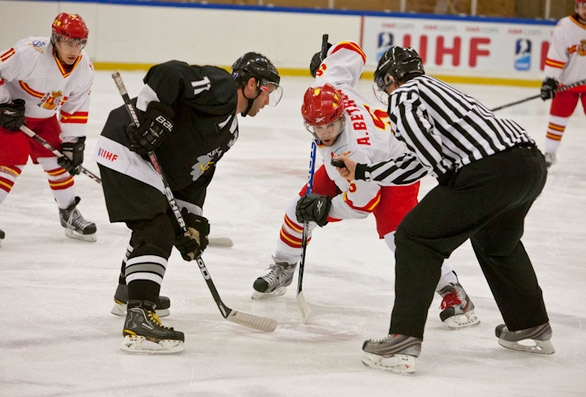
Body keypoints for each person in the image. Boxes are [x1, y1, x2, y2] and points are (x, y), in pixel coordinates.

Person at [336, 46, 554, 374]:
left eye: (384, 84)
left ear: (391, 78)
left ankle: (404, 338)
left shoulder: (405, 93)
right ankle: (530, 324)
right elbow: (414, 162)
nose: (386, 93)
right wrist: (364, 172)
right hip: (529, 167)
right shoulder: (440, 90)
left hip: (489, 171)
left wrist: (444, 170)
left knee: (414, 237)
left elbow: (423, 148)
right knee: (497, 243)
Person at [252, 41, 479, 330]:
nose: (324, 134)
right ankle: (284, 267)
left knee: (400, 238)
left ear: (341, 117)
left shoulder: (351, 150)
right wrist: (328, 59)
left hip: (396, 165)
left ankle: (452, 291)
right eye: (317, 128)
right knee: (298, 208)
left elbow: (362, 205)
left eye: (330, 126)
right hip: (357, 162)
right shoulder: (329, 84)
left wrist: (326, 209)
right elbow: (353, 51)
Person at [96, 53, 282, 354]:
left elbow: (195, 175)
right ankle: (139, 316)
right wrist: (155, 115)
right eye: (267, 93)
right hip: (126, 145)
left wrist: (193, 221)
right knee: (156, 231)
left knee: (167, 224)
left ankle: (128, 291)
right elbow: (168, 73)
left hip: (147, 165)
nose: (267, 102)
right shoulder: (221, 87)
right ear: (250, 85)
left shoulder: (230, 131)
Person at [0, 13, 97, 244]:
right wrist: (3, 104)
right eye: (68, 42)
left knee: (60, 159)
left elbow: (75, 109)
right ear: (55, 39)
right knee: (12, 160)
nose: (74, 49)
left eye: (79, 43)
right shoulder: (29, 53)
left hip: (44, 119)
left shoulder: (84, 69)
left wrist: (73, 144)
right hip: (11, 115)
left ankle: (68, 212)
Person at [540, 0, 586, 168]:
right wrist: (550, 80)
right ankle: (550, 153)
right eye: (583, 5)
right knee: (557, 118)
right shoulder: (565, 27)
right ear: (577, 6)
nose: (585, 9)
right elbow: (557, 55)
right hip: (568, 83)